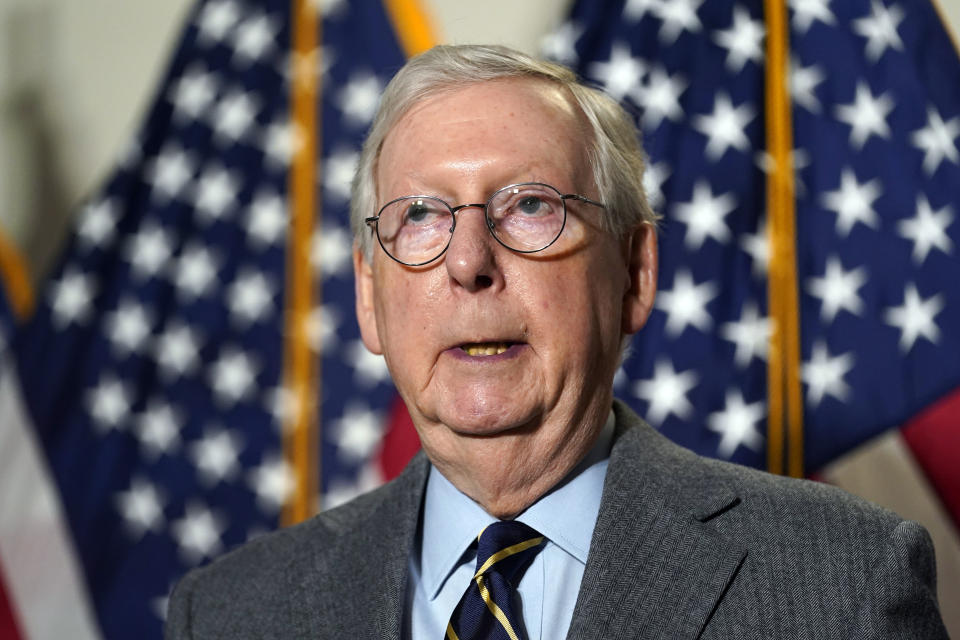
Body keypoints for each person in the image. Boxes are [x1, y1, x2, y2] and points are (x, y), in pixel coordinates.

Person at [165, 44, 948, 639]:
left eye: (530, 207)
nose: (470, 263)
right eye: (423, 216)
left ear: (635, 274)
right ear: (370, 300)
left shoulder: (841, 584)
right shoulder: (231, 614)